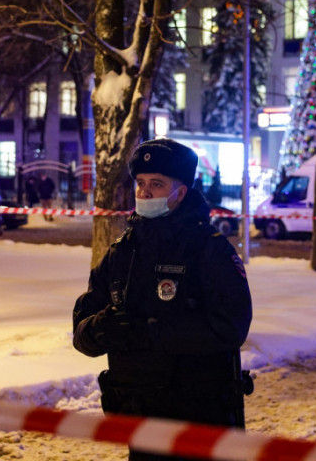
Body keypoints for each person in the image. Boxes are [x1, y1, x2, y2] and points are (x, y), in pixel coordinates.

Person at [72, 138, 253, 461]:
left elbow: (231, 327)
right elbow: (81, 331)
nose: (144, 192)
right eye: (140, 183)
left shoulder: (209, 250)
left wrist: (154, 332)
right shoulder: (121, 252)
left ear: (180, 193)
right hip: (139, 421)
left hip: (197, 421)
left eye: (156, 184)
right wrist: (101, 328)